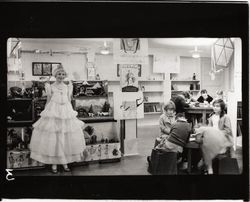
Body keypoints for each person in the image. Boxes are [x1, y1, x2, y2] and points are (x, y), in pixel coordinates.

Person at [30, 65, 86, 174]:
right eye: (59, 74)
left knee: (65, 137)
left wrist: (71, 113)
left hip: (65, 112)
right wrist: (46, 113)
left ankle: (65, 162)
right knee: (53, 137)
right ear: (55, 75)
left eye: (63, 74)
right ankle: (54, 163)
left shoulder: (68, 87)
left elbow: (69, 100)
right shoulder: (50, 86)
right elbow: (49, 99)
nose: (61, 76)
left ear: (65, 76)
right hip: (54, 112)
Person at [194, 99, 233, 174]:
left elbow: (228, 131)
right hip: (213, 137)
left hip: (222, 137)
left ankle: (207, 165)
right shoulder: (212, 117)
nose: (215, 108)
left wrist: (216, 133)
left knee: (207, 145)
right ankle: (207, 165)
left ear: (222, 107)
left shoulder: (225, 117)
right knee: (201, 141)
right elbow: (209, 128)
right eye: (214, 106)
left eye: (217, 106)